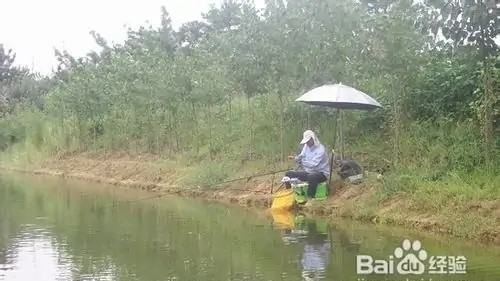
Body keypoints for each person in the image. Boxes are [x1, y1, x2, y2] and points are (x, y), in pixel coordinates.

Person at [285, 130, 330, 199]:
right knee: (288, 174)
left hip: (321, 174)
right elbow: (302, 155)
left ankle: (310, 198)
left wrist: (302, 162)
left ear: (313, 138)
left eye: (308, 141)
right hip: (309, 172)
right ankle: (288, 195)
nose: (307, 143)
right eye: (306, 141)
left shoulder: (321, 149)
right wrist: (296, 158)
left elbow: (314, 164)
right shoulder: (306, 146)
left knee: (311, 177)